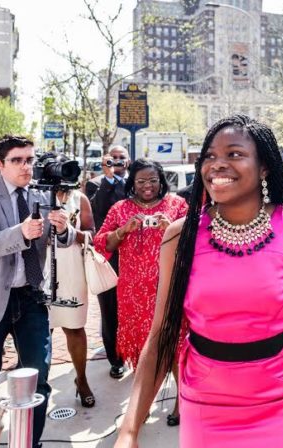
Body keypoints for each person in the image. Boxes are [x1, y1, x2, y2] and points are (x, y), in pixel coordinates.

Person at [115, 115, 283, 448]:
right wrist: (129, 431)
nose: (217, 165)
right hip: (205, 405)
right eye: (209, 156)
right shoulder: (180, 237)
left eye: (234, 154)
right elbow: (162, 335)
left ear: (264, 167)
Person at [0, 135, 74, 447]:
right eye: (17, 160)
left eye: (30, 159)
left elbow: (65, 240)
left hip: (31, 297)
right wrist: (20, 232)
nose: (26, 166)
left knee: (38, 377)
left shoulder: (42, 192)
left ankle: (30, 441)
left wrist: (64, 229)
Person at [94, 158, 187, 426]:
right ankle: (143, 402)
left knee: (176, 345)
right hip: (134, 291)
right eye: (141, 181)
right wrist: (124, 230)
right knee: (142, 348)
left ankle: (181, 403)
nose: (148, 186)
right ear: (132, 183)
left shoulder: (177, 206)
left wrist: (170, 225)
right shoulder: (120, 208)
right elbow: (102, 243)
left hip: (170, 287)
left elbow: (196, 239)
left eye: (153, 180)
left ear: (161, 181)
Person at [44, 154, 97, 408]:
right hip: (40, 271)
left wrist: (68, 231)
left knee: (75, 327)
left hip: (71, 269)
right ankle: (38, 384)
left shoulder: (80, 198)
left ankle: (82, 379)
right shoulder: (36, 196)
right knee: (39, 330)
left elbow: (91, 234)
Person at [85, 145, 129, 379]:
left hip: (136, 257)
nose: (117, 162)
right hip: (109, 258)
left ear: (129, 161)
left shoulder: (136, 183)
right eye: (112, 159)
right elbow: (98, 209)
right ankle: (116, 358)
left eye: (122, 158)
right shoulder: (95, 184)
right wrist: (109, 179)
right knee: (110, 309)